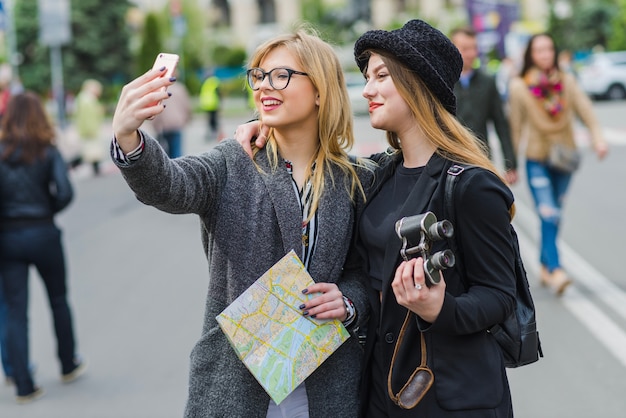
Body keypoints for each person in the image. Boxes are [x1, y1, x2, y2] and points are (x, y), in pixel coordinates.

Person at [236, 19, 518, 417]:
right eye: (367, 77)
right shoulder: (376, 176)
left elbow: (500, 297)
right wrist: (262, 127)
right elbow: (364, 274)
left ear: (419, 84)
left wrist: (440, 308)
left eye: (381, 76)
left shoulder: (471, 185)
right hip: (382, 392)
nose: (367, 89)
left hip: (452, 398)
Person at [110, 27, 371, 417]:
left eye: (282, 75)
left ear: (320, 90)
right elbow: (170, 186)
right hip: (235, 383)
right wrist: (127, 135)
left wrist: (350, 303)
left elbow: (366, 273)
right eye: (259, 75)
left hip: (324, 386)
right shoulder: (235, 161)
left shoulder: (355, 178)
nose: (265, 85)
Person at [0, 92, 86, 404]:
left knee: (14, 310)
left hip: (8, 238)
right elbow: (65, 192)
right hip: (44, 232)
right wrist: (45, 209)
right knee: (58, 300)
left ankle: (24, 384)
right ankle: (67, 364)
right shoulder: (48, 152)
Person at [508, 33, 608, 295]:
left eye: (549, 49)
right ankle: (555, 269)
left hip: (564, 159)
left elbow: (585, 110)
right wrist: (511, 165)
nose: (545, 54)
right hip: (536, 159)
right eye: (539, 50)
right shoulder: (520, 86)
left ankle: (544, 263)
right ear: (531, 54)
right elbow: (515, 127)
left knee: (553, 216)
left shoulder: (567, 80)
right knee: (548, 212)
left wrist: (598, 139)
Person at [450, 26, 518, 185]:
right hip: (450, 159)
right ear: (452, 48)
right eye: (465, 48)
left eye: (474, 48)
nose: (471, 54)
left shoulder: (487, 82)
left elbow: (501, 124)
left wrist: (510, 163)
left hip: (482, 159)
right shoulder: (443, 82)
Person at [150, 71, 193, 158]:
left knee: (165, 153)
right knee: (177, 152)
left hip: (163, 126)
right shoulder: (180, 88)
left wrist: (155, 125)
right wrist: (187, 119)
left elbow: (155, 109)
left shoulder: (160, 90)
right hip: (177, 124)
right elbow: (186, 106)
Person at [74, 79, 105, 175]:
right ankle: (73, 164)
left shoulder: (84, 98)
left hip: (90, 129)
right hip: (90, 130)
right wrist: (90, 129)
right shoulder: (87, 99)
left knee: (90, 151)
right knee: (91, 152)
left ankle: (75, 164)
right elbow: (87, 117)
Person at [198, 70, 223, 140]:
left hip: (206, 104)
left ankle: (209, 134)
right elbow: (218, 92)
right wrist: (220, 102)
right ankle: (214, 133)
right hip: (213, 104)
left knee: (209, 120)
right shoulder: (215, 81)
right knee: (214, 120)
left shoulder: (205, 82)